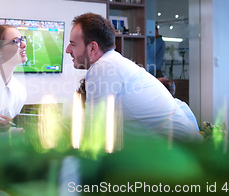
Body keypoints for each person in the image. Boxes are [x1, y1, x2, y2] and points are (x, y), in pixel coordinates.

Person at [65, 13, 202, 143]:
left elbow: (94, 134)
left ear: (92, 47)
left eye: (73, 44)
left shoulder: (103, 67)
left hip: (179, 156)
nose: (67, 49)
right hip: (178, 150)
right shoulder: (113, 62)